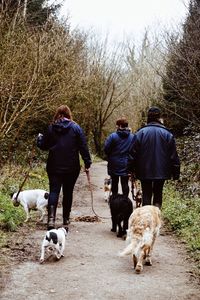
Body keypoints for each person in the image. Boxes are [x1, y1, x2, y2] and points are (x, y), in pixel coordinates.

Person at [37, 105, 92, 229]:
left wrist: (39, 139)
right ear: (69, 115)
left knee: (54, 191)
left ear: (58, 114)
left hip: (54, 166)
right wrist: (87, 162)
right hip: (71, 167)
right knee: (68, 192)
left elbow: (44, 146)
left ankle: (51, 220)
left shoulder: (51, 128)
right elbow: (83, 146)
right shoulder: (76, 128)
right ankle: (66, 219)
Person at [128, 106, 180, 209]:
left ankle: (147, 218)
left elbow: (132, 153)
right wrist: (176, 173)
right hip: (162, 170)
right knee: (158, 193)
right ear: (159, 118)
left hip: (144, 170)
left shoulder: (140, 133)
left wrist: (130, 169)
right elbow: (173, 155)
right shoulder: (167, 134)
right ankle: (156, 217)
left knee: (146, 194)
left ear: (148, 117)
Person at [104, 117, 135, 198]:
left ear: (120, 126)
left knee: (114, 182)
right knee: (125, 183)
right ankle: (125, 200)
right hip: (126, 164)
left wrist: (110, 156)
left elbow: (106, 149)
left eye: (117, 125)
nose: (116, 127)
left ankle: (114, 199)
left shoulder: (113, 136)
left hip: (114, 163)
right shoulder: (132, 137)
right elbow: (134, 151)